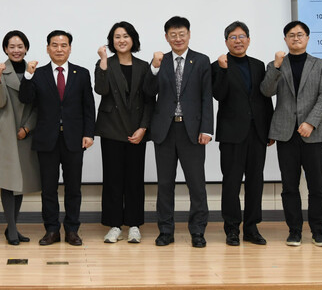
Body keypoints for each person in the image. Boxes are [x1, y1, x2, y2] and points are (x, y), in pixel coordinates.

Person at [19, 30, 96, 246]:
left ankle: (72, 230)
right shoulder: (38, 74)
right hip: (47, 139)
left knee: (73, 188)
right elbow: (26, 98)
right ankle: (52, 230)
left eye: (63, 45)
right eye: (54, 45)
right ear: (47, 49)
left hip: (74, 139)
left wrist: (89, 133)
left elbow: (88, 106)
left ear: (70, 48)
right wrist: (27, 76)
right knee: (48, 188)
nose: (59, 49)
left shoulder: (81, 74)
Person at [261, 20, 322, 247]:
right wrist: (276, 67)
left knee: (316, 186)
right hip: (286, 134)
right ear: (285, 39)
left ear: (307, 38)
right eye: (291, 35)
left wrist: (311, 122)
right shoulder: (276, 64)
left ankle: (318, 231)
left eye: (300, 34)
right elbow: (266, 91)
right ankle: (294, 231)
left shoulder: (321, 65)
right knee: (289, 186)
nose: (296, 38)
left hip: (314, 134)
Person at [145, 16, 213, 248]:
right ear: (166, 37)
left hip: (191, 130)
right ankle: (166, 231)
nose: (178, 38)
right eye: (173, 35)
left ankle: (198, 231)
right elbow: (148, 92)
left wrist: (207, 128)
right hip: (165, 130)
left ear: (189, 34)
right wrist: (154, 68)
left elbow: (206, 97)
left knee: (197, 184)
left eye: (181, 34)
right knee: (165, 184)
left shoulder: (201, 60)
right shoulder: (160, 61)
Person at [211, 21, 273, 247]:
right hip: (231, 134)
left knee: (256, 182)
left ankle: (251, 228)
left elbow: (265, 99)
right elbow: (218, 94)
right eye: (233, 37)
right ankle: (231, 229)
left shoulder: (258, 65)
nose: (238, 41)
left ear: (248, 39)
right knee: (231, 182)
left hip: (257, 132)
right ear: (226, 41)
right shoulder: (218, 65)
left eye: (242, 37)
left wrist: (270, 130)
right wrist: (223, 70)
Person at [94, 21, 153, 244]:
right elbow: (101, 89)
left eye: (126, 36)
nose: (121, 40)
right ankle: (115, 225)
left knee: (135, 179)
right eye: (117, 36)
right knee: (113, 179)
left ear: (133, 39)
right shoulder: (105, 63)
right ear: (112, 41)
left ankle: (134, 225)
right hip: (112, 129)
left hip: (137, 130)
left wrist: (143, 128)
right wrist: (103, 61)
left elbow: (149, 100)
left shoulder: (143, 66)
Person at [0, 31, 41, 245]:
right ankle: (11, 229)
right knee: (8, 182)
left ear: (26, 48)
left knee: (20, 183)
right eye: (12, 47)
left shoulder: (34, 71)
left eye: (20, 46)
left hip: (25, 133)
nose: (16, 50)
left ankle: (13, 227)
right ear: (5, 49)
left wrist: (27, 128)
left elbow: (38, 106)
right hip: (6, 132)